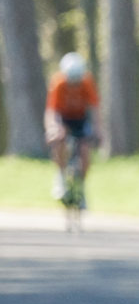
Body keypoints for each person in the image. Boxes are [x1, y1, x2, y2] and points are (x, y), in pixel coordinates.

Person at [45, 53, 99, 204]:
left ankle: (82, 188)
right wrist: (52, 128)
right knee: (59, 141)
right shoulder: (58, 83)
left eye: (77, 81)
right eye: (71, 81)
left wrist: (97, 129)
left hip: (81, 119)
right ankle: (61, 176)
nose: (74, 84)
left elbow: (95, 108)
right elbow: (51, 111)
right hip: (63, 119)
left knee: (85, 151)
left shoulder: (87, 82)